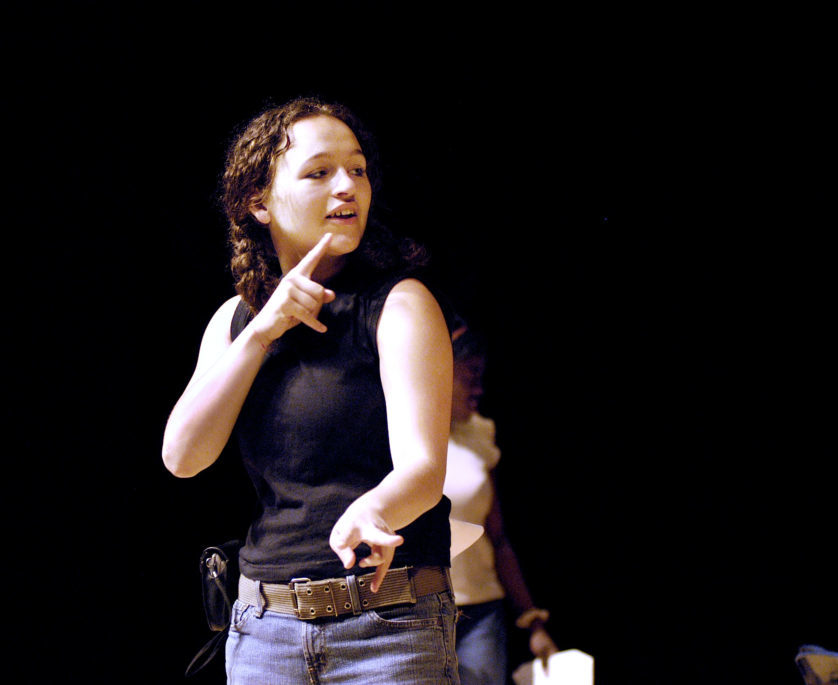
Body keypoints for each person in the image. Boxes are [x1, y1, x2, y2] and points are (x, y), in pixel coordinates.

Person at [162, 97, 460, 684]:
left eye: (357, 169)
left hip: (388, 629)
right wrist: (263, 331)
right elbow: (183, 457)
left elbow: (423, 469)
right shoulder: (236, 320)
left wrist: (372, 510)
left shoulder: (398, 304)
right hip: (263, 630)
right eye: (319, 172)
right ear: (259, 202)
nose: (347, 186)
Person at [443, 323, 558, 685]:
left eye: (483, 377)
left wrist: (533, 621)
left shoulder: (480, 432)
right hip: (420, 606)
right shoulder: (399, 435)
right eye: (470, 376)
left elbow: (498, 537)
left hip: (480, 611)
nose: (479, 390)